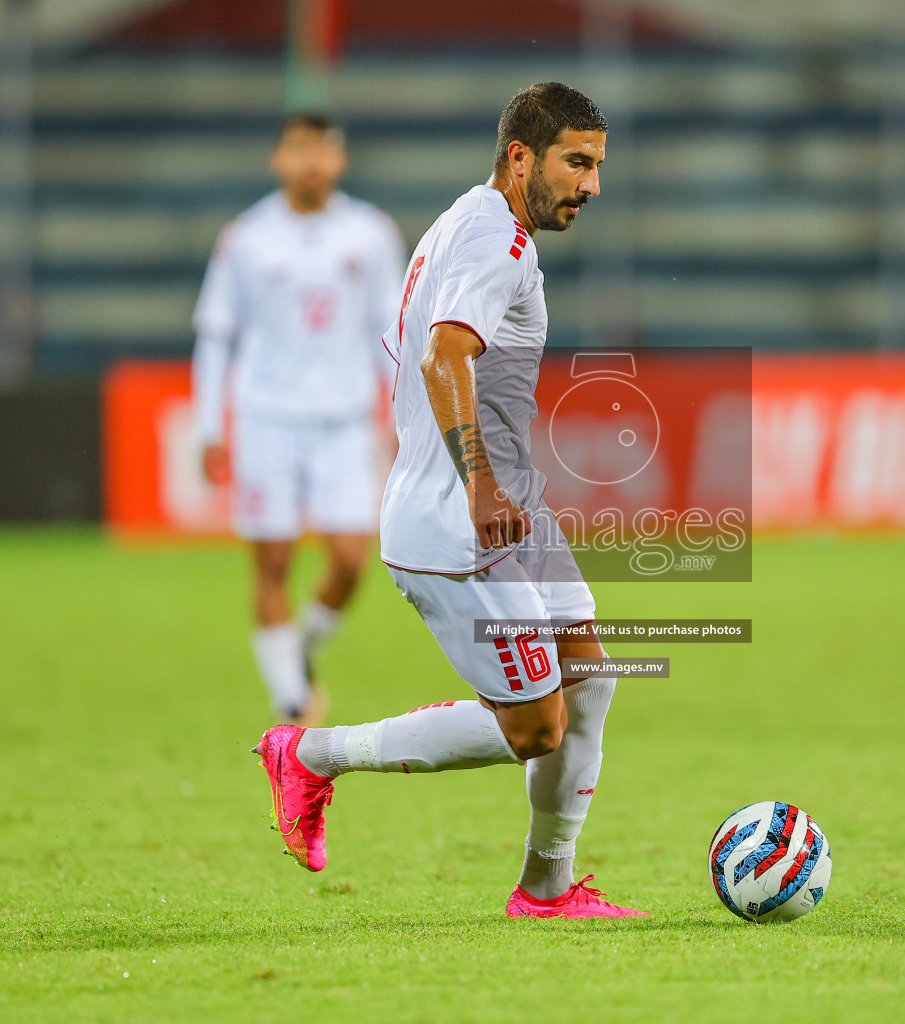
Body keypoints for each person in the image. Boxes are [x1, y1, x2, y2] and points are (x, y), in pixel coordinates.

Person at [253, 83, 646, 919]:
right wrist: (479, 485)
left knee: (589, 680)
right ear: (520, 156)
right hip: (461, 519)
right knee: (533, 728)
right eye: (577, 162)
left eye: (598, 166)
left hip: (505, 509)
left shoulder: (466, 223)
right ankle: (311, 755)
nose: (592, 185)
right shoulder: (494, 242)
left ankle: (547, 888)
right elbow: (442, 359)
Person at [192, 112, 406, 725]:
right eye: (299, 148)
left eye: (324, 148)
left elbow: (386, 333)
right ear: (277, 159)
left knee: (349, 560)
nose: (311, 160)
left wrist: (397, 413)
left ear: (339, 159)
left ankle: (300, 652)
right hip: (267, 418)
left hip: (342, 419)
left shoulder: (370, 233)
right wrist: (212, 425)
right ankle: (290, 699)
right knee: (274, 561)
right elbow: (216, 334)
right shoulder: (247, 237)